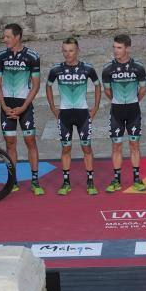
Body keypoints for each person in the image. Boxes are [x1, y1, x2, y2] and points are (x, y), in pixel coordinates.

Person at [46, 37, 101, 196]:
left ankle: (90, 181)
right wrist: (53, 108)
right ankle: (66, 182)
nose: (67, 54)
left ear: (77, 50)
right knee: (66, 148)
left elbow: (98, 85)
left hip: (83, 114)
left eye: (71, 50)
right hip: (64, 114)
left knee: (87, 148)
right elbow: (48, 86)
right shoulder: (56, 69)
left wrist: (95, 107)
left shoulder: (87, 68)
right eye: (65, 50)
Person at [0, 24, 43, 195]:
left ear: (17, 37)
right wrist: (3, 105)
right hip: (6, 105)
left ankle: (35, 181)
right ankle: (12, 180)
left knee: (30, 141)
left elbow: (36, 85)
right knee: (10, 143)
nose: (4, 39)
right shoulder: (1, 56)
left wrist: (23, 107)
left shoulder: (32, 56)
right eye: (4, 36)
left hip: (25, 105)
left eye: (7, 36)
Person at [102, 34, 146, 192]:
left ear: (127, 48)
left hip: (134, 110)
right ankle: (116, 180)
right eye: (114, 47)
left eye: (119, 48)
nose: (116, 51)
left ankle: (137, 179)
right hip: (116, 111)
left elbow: (143, 89)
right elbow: (107, 91)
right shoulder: (108, 68)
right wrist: (118, 100)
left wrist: (134, 100)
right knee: (116, 145)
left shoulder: (138, 67)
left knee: (134, 145)